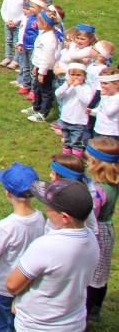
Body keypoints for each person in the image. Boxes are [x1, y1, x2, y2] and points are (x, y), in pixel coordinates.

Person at [5, 179, 98, 332]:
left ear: (65, 217)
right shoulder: (91, 239)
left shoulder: (46, 246)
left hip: (38, 325)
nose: (45, 208)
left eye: (49, 206)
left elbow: (12, 284)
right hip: (74, 322)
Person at [0, 163, 43, 332]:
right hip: (26, 282)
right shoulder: (40, 217)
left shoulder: (6, 226)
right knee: (16, 323)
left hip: (3, 285)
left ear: (8, 193)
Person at [84, 138, 119, 322]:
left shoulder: (98, 191)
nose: (87, 163)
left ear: (97, 164)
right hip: (108, 230)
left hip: (96, 232)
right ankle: (97, 307)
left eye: (89, 160)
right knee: (102, 272)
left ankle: (86, 312)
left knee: (91, 275)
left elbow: (91, 215)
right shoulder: (113, 184)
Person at [24, 8, 62, 123]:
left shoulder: (50, 39)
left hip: (46, 70)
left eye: (38, 21)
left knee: (46, 91)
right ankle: (36, 106)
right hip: (40, 67)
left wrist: (42, 72)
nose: (36, 23)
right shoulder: (45, 34)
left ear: (45, 24)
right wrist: (36, 66)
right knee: (37, 88)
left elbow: (47, 57)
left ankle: (43, 113)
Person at [56, 63, 95, 155]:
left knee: (76, 143)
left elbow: (86, 101)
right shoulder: (68, 86)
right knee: (67, 141)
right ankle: (67, 157)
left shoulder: (86, 88)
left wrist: (77, 87)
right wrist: (66, 85)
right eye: (72, 75)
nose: (75, 77)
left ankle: (76, 159)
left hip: (78, 121)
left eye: (78, 75)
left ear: (84, 76)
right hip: (66, 118)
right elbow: (58, 94)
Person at [0, 0, 25, 69]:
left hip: (18, 24)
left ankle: (16, 59)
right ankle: (7, 57)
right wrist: (7, 20)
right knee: (8, 40)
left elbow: (24, 13)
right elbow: (3, 9)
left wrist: (15, 21)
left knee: (17, 41)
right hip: (8, 23)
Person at [88, 68, 119, 141]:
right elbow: (101, 110)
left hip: (111, 133)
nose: (102, 86)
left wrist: (104, 97)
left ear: (117, 84)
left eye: (105, 83)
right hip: (99, 129)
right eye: (101, 83)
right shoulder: (106, 96)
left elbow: (109, 112)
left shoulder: (116, 98)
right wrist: (92, 112)